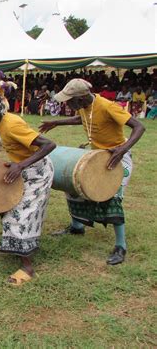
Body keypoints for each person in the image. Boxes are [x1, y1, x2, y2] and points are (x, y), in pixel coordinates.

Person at [39, 78, 145, 265]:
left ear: (80, 99)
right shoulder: (84, 106)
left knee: (113, 196)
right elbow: (82, 118)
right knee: (74, 184)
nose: (66, 103)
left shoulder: (108, 106)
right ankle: (77, 226)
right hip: (96, 156)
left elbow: (139, 126)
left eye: (69, 100)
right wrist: (56, 122)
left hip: (116, 157)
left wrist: (122, 149)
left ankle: (121, 246)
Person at [0, 89, 56, 285]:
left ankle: (27, 267)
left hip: (37, 172)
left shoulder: (11, 125)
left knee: (20, 214)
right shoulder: (1, 124)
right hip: (22, 170)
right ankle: (19, 246)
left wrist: (20, 165)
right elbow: (9, 136)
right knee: (5, 206)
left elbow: (49, 145)